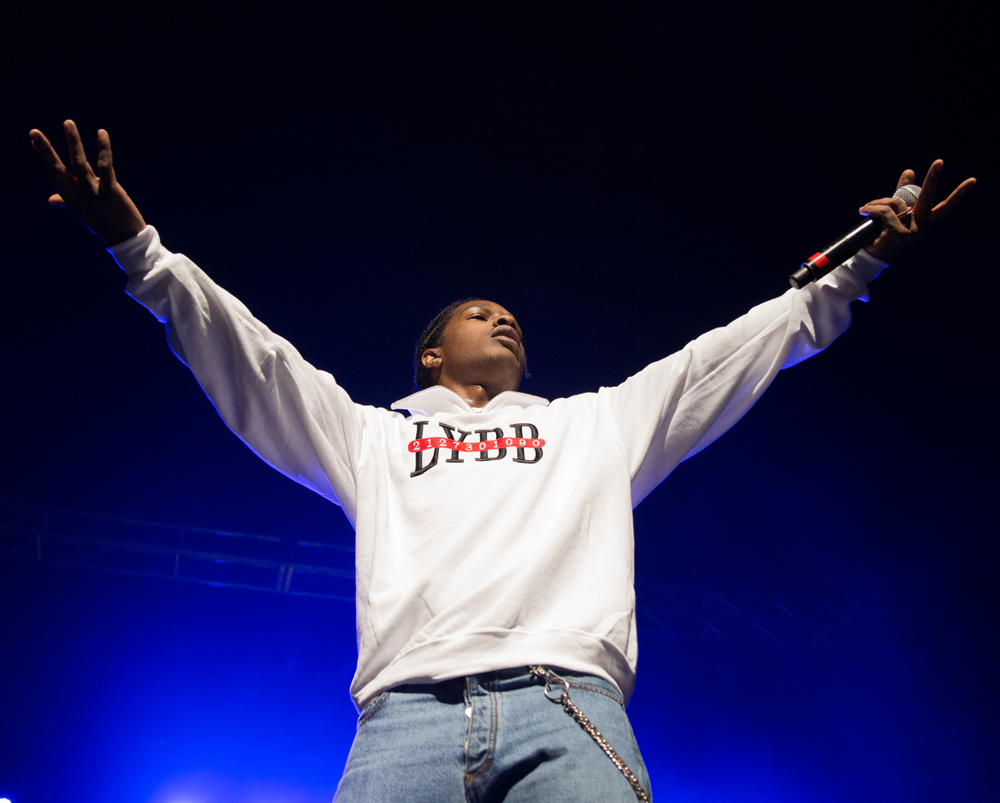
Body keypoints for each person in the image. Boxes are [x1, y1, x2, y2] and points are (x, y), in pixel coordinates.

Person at [29, 120, 975, 802]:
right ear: (431, 355)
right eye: (480, 315)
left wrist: (859, 267)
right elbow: (254, 360)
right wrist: (140, 250)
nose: (505, 320)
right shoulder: (374, 435)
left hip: (566, 704)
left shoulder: (593, 424)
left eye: (511, 316)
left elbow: (725, 355)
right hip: (405, 717)